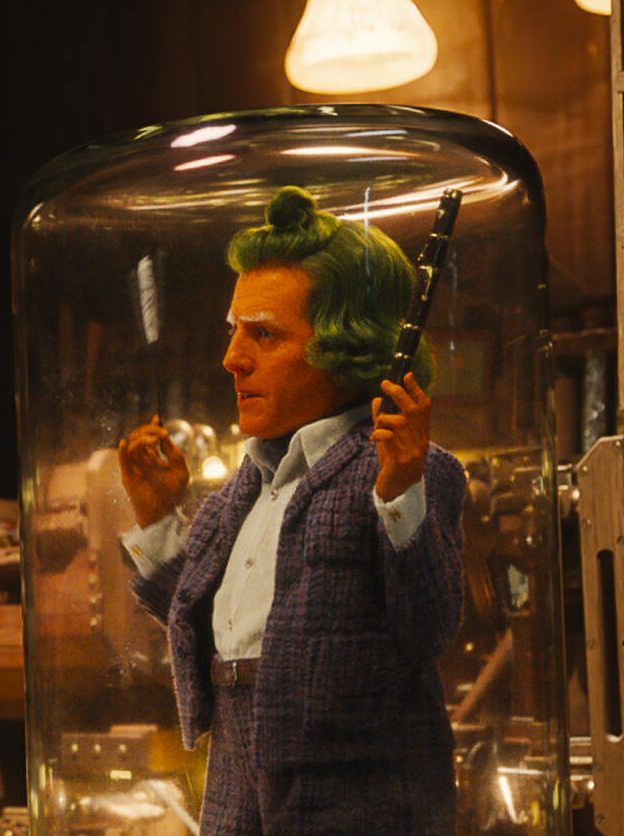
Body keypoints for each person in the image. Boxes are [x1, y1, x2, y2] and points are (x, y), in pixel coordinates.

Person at [116, 186, 465, 832]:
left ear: (345, 344)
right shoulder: (244, 489)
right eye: (233, 331)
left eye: (264, 334)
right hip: (234, 755)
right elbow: (198, 615)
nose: (232, 359)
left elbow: (429, 627)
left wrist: (400, 491)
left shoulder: (400, 470)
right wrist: (158, 520)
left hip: (352, 779)